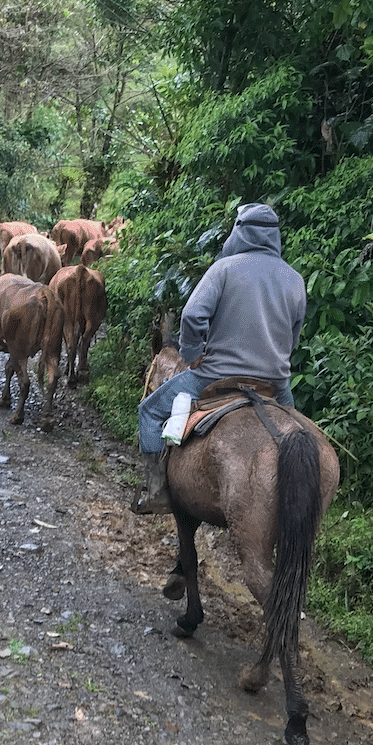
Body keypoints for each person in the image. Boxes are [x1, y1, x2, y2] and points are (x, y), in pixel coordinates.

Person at [133, 202, 306, 513]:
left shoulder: (223, 269)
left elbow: (192, 315)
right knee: (294, 433)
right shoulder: (295, 279)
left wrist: (191, 354)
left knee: (149, 411)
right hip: (275, 382)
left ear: (240, 233)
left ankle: (157, 492)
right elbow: (293, 335)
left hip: (214, 375)